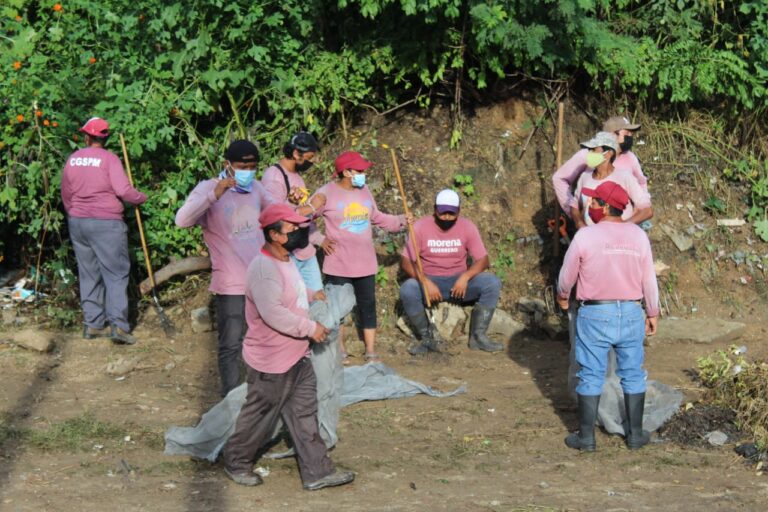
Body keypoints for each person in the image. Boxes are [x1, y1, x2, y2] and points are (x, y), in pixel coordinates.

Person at [222, 203, 354, 490]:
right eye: (292, 229)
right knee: (259, 415)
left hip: (296, 355)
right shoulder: (263, 269)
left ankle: (318, 471)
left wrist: (311, 294)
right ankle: (235, 461)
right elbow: (273, 312)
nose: (300, 232)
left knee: (305, 413)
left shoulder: (285, 259)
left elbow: (289, 293)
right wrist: (311, 328)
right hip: (272, 361)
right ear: (275, 235)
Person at [556, 181, 660, 452]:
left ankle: (586, 438)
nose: (589, 205)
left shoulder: (586, 236)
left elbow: (567, 275)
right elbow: (649, 278)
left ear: (603, 206)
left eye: (593, 201)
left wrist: (563, 295)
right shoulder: (638, 236)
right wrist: (652, 311)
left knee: (590, 374)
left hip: (595, 313)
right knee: (633, 373)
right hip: (630, 312)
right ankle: (635, 435)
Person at [175, 140, 277, 397]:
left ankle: (258, 394)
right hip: (230, 282)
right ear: (227, 165)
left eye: (253, 166)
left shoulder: (256, 188)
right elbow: (182, 220)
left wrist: (303, 206)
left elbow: (276, 210)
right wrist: (214, 195)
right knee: (231, 343)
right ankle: (231, 398)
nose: (249, 171)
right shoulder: (208, 188)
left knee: (261, 339)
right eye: (244, 166)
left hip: (260, 278)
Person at [315, 151, 410, 363]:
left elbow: (377, 217)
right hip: (338, 263)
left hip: (365, 263)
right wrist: (319, 239)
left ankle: (371, 350)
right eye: (359, 170)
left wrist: (401, 220)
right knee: (338, 310)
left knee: (368, 305)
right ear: (347, 172)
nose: (363, 174)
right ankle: (339, 349)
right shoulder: (326, 192)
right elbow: (305, 218)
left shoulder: (364, 190)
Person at [61, 117, 147, 345]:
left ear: (86, 136)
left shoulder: (73, 159)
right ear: (105, 137)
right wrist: (141, 198)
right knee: (115, 273)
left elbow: (66, 194)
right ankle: (118, 325)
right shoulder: (110, 159)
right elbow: (123, 190)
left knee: (88, 273)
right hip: (106, 223)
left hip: (78, 222)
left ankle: (93, 325)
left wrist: (75, 213)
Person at [400, 189, 503, 354]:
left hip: (458, 282)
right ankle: (428, 338)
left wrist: (465, 277)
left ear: (459, 211)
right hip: (429, 281)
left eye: (451, 213)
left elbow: (484, 260)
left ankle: (478, 337)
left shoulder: (467, 226)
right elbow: (405, 262)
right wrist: (425, 281)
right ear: (435, 210)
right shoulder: (419, 227)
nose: (447, 217)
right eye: (443, 213)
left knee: (491, 282)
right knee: (408, 288)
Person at [261, 132, 326, 295]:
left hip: (304, 249)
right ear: (297, 153)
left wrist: (318, 238)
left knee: (318, 298)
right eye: (310, 157)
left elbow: (303, 216)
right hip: (286, 253)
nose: (311, 162)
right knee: (296, 302)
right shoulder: (274, 177)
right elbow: (274, 215)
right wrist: (311, 206)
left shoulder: (296, 176)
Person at [552, 115, 648, 221]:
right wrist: (573, 213)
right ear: (612, 134)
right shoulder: (587, 155)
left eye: (631, 133)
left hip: (625, 225)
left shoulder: (630, 158)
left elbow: (642, 182)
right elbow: (559, 179)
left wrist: (640, 207)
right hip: (593, 227)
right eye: (627, 133)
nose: (630, 137)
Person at [571, 131, 652, 229]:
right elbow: (574, 205)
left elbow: (647, 211)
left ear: (608, 154)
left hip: (619, 241)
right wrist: (579, 223)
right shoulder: (585, 177)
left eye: (593, 150)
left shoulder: (624, 177)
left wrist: (623, 227)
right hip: (593, 241)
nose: (589, 154)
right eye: (589, 150)